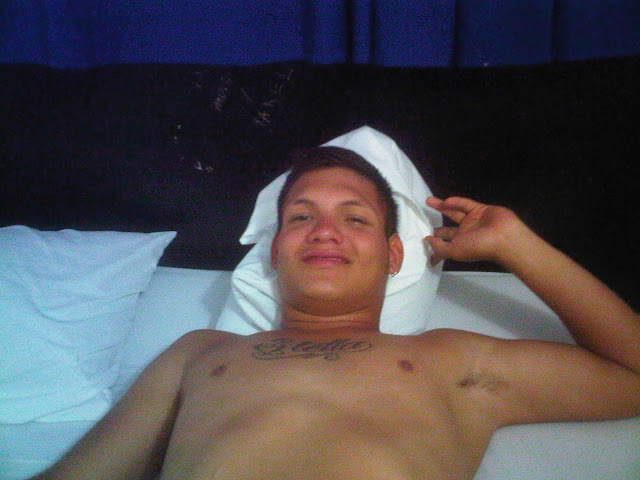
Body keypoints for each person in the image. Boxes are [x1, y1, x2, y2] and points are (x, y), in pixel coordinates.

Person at [32, 147, 640, 480]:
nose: (325, 231)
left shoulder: (446, 358)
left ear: (393, 255)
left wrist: (515, 244)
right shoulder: (201, 353)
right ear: (275, 249)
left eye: (355, 218)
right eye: (302, 216)